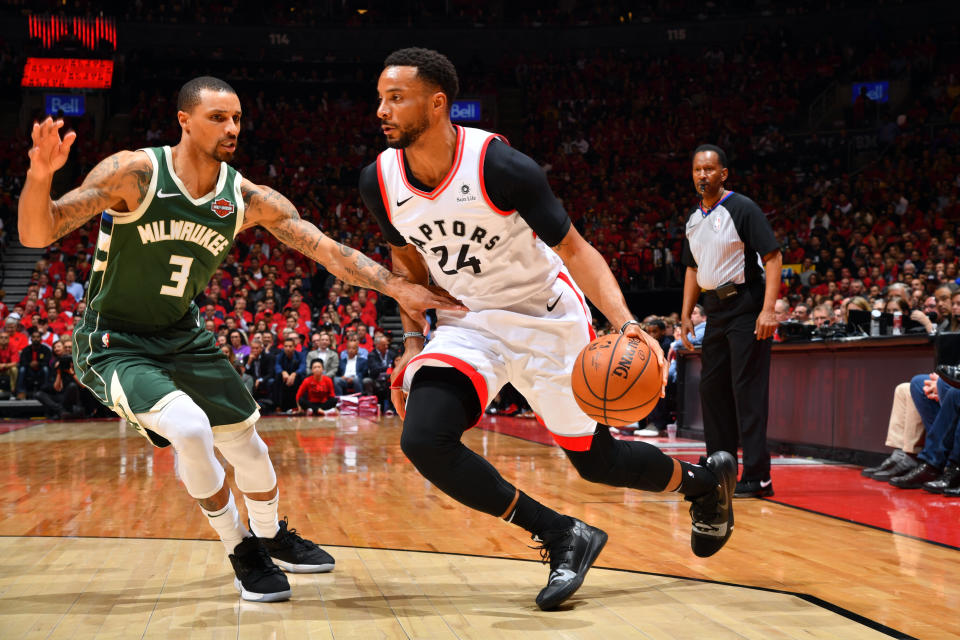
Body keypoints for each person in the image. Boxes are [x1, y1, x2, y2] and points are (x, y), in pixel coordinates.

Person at [18, 77, 463, 602]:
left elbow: (325, 249)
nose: (231, 129)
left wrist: (394, 287)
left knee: (247, 445)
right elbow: (37, 233)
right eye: (217, 118)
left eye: (236, 119)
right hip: (115, 339)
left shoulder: (244, 197)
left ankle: (272, 535)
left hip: (182, 334)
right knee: (188, 428)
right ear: (184, 120)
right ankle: (240, 546)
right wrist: (39, 176)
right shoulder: (134, 173)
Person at [359, 48, 737, 611]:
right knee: (423, 438)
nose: (382, 111)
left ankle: (703, 485)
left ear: (437, 104)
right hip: (468, 322)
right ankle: (562, 534)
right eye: (381, 99)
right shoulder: (379, 181)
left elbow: (575, 249)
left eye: (396, 98)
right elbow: (407, 269)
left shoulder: (500, 166)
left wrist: (627, 323)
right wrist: (413, 343)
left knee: (597, 462)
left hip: (545, 316)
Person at [679, 144, 782, 499]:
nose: (702, 175)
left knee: (747, 391)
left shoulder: (742, 208)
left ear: (723, 174)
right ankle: (720, 465)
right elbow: (692, 269)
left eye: (708, 169)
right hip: (715, 311)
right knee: (712, 389)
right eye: (697, 170)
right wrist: (685, 315)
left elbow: (772, 256)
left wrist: (769, 310)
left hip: (746, 306)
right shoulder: (694, 219)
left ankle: (758, 475)